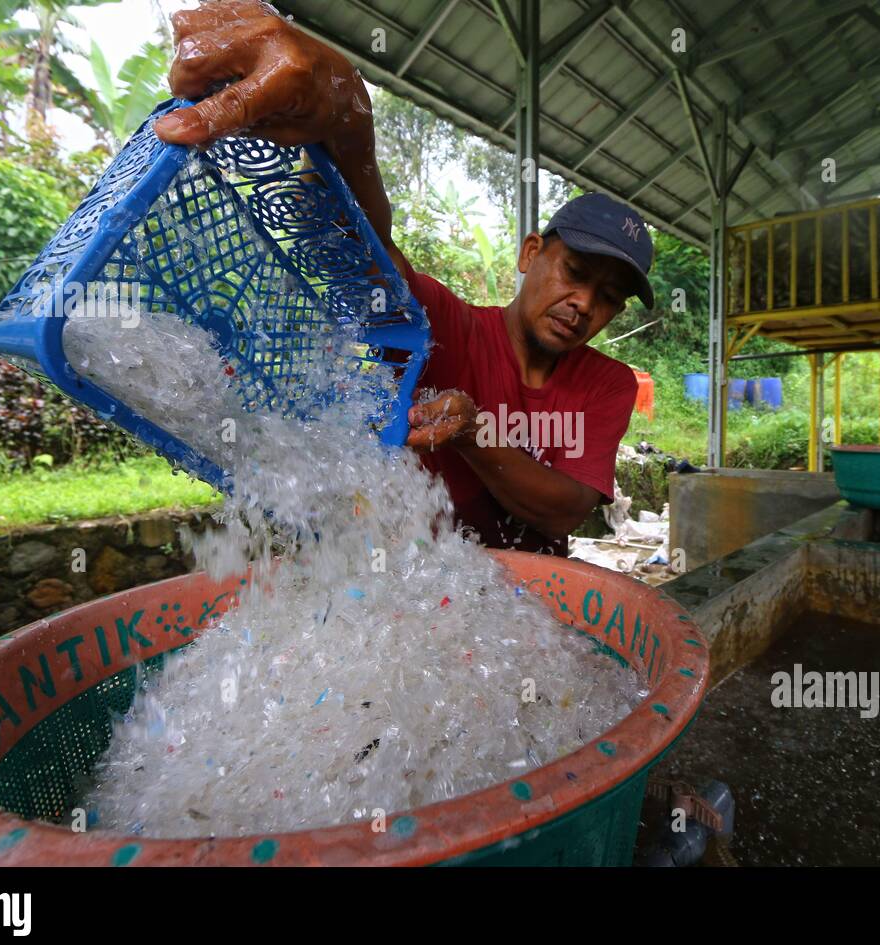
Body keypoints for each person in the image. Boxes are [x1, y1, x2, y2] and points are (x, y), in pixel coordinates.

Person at [153, 0, 646, 556]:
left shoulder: (609, 383)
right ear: (531, 253)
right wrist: (348, 117)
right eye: (575, 273)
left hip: (531, 590)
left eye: (607, 297)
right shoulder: (440, 323)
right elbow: (363, 238)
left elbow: (565, 512)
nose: (582, 302)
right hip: (412, 583)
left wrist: (472, 433)